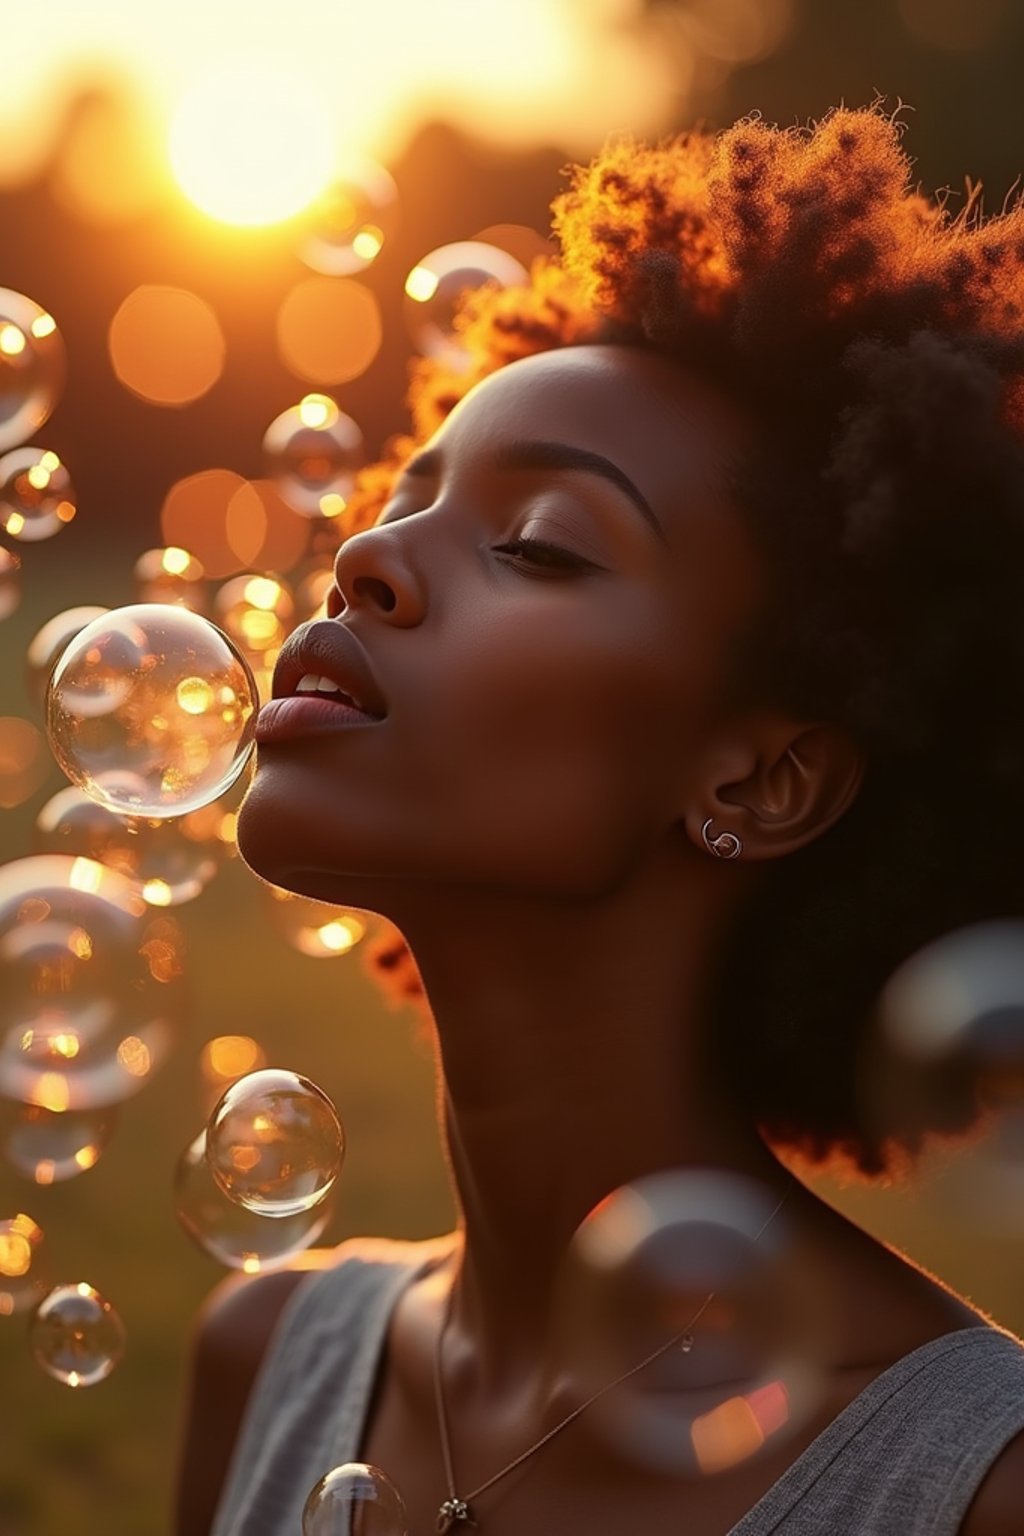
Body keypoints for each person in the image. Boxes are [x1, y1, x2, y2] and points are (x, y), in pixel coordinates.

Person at [175, 100, 1024, 1535]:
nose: (369, 554)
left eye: (540, 544)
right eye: (404, 495)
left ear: (760, 782)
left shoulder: (968, 1491)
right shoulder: (264, 1358)